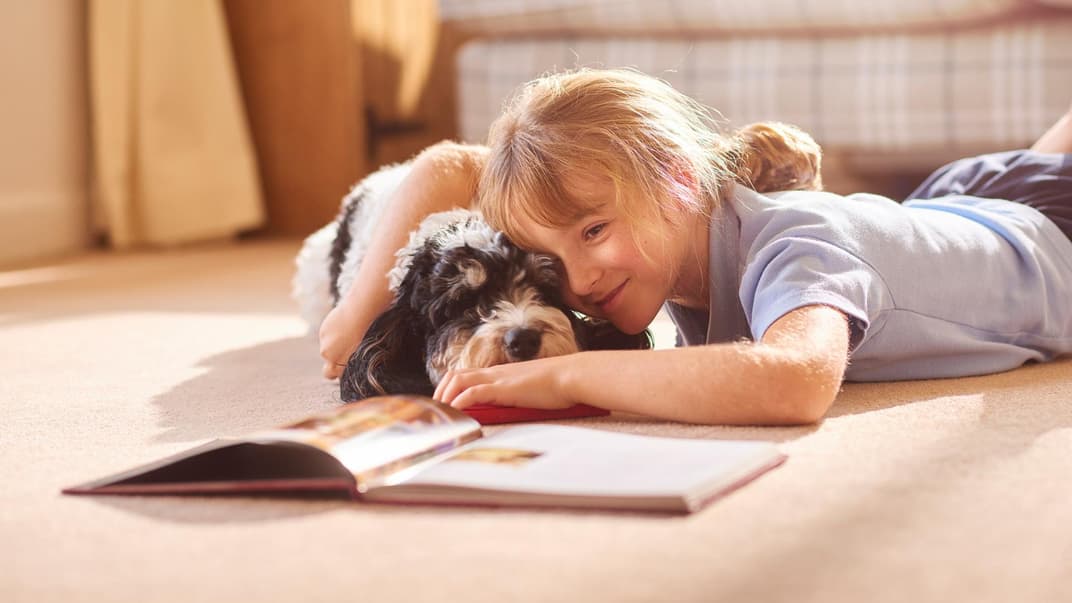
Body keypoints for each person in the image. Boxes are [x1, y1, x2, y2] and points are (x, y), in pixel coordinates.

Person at [321, 68, 1072, 425]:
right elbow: (452, 170)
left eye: (593, 230)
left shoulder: (798, 245)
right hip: (962, 206)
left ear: (681, 179)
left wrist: (565, 377)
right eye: (554, 259)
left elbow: (794, 381)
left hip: (1053, 239)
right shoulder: (679, 255)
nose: (579, 277)